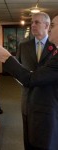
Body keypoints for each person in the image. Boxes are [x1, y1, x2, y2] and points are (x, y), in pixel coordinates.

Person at [0, 14, 58, 150]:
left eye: (53, 26)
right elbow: (22, 72)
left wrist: (5, 56)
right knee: (30, 140)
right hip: (30, 102)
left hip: (48, 109)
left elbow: (30, 78)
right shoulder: (24, 46)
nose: (50, 30)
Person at [16, 12, 55, 150]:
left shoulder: (55, 45)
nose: (33, 25)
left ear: (47, 25)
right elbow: (18, 69)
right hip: (28, 98)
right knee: (28, 136)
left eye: (37, 22)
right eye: (31, 22)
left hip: (48, 101)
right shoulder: (23, 46)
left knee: (48, 138)